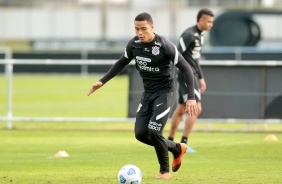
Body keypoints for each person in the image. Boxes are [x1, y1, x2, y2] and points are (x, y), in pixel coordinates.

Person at [87, 12, 197, 179]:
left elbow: (187, 69)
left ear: (152, 27)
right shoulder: (134, 44)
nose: (140, 33)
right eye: (137, 29)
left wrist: (191, 97)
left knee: (154, 131)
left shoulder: (164, 46)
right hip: (148, 94)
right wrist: (102, 81)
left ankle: (164, 171)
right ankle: (176, 148)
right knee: (140, 134)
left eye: (143, 29)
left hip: (166, 93)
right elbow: (121, 62)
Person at [168, 8, 214, 152]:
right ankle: (184, 144)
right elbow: (177, 54)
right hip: (185, 75)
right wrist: (176, 73)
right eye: (209, 21)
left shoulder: (201, 36)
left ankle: (169, 141)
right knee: (196, 108)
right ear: (201, 20)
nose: (211, 24)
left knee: (181, 108)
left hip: (193, 75)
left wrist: (200, 77)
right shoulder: (188, 34)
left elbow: (195, 58)